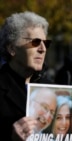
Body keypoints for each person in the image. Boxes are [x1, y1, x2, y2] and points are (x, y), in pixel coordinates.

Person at [0, 11, 52, 140]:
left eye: (46, 43)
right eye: (35, 42)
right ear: (12, 48)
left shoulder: (51, 87)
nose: (43, 49)